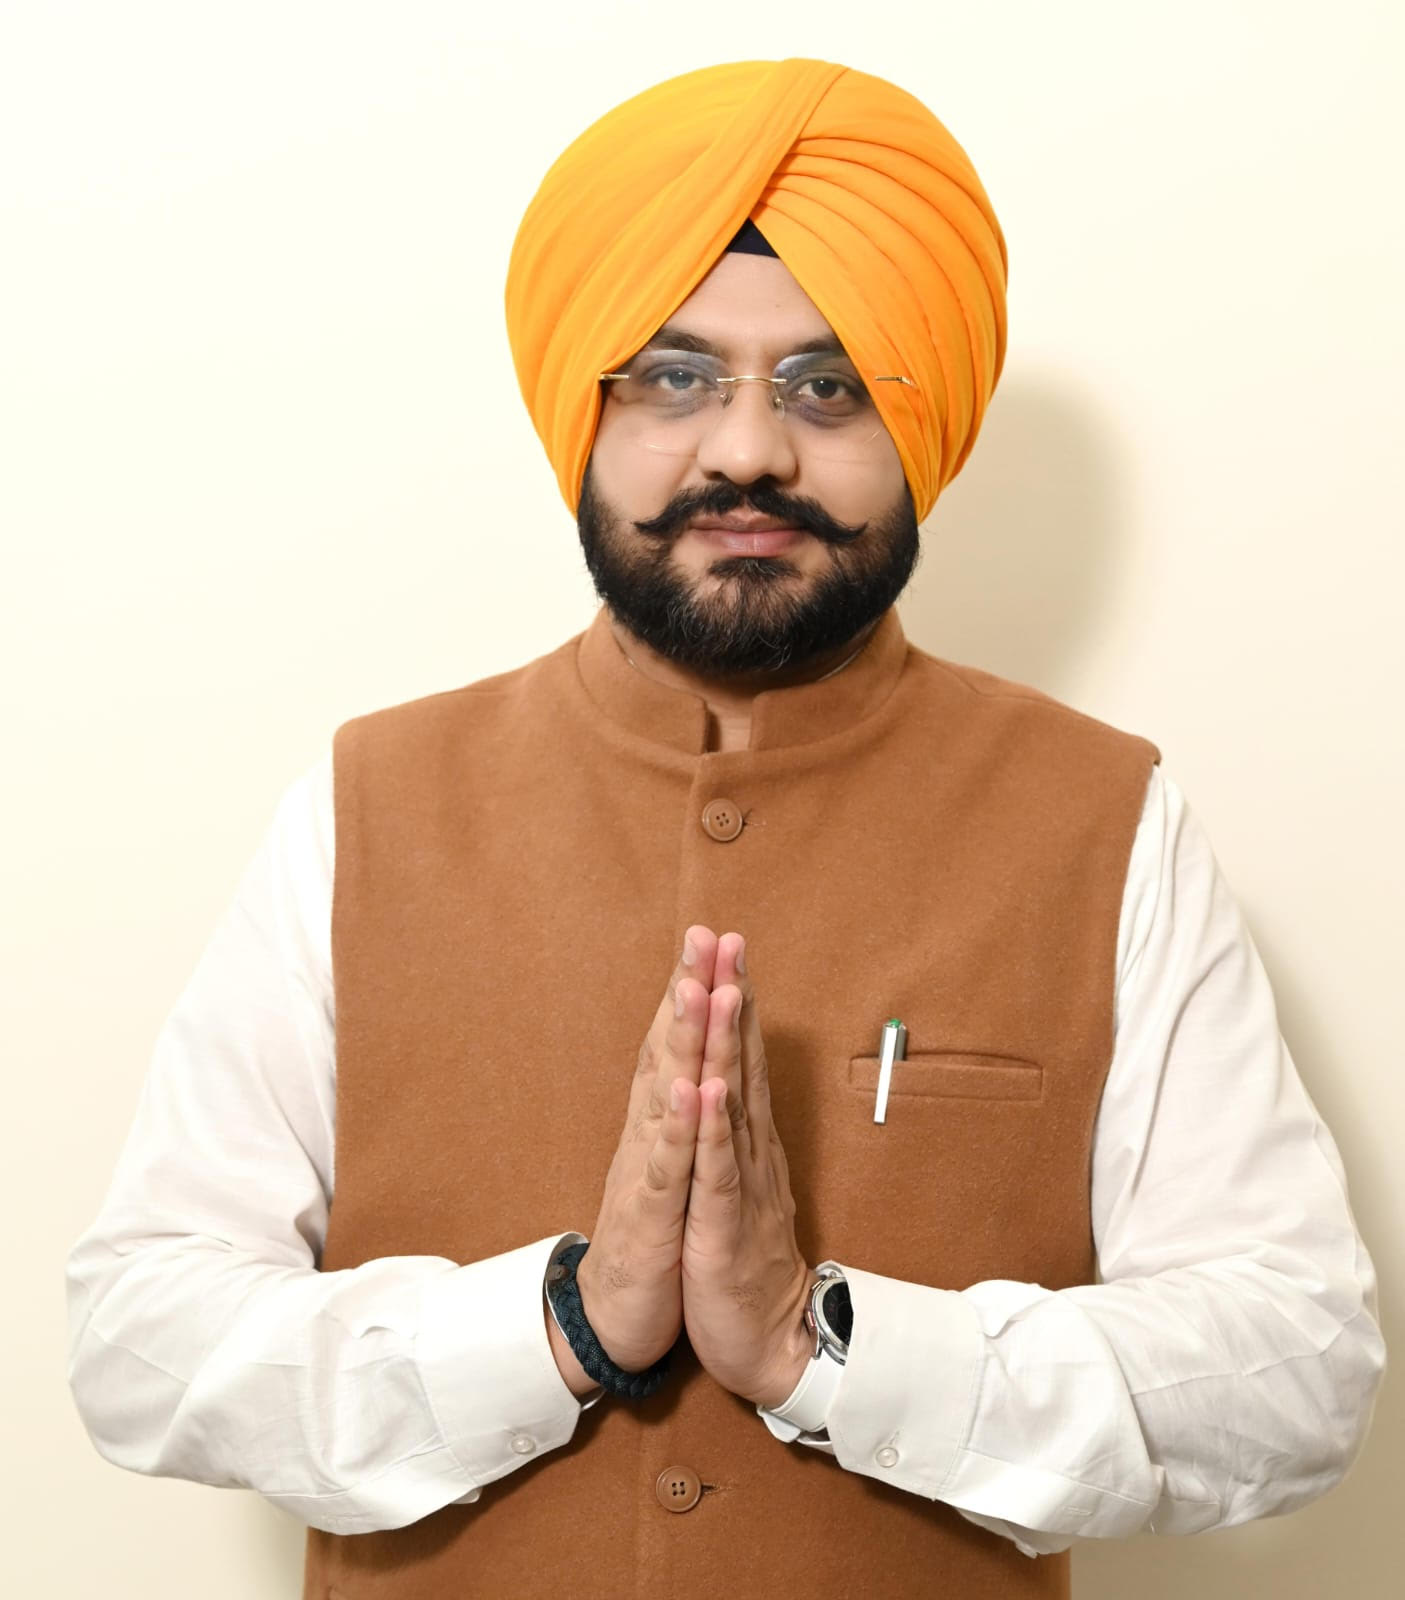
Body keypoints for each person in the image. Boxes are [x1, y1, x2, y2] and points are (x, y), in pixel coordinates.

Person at [66, 56, 1383, 1600]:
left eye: (828, 385)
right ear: (585, 412)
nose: (749, 451)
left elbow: (1299, 1365)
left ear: (922, 417)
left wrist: (829, 1345)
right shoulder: (366, 808)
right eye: (675, 378)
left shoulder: (1109, 820)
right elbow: (140, 1337)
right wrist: (563, 1325)